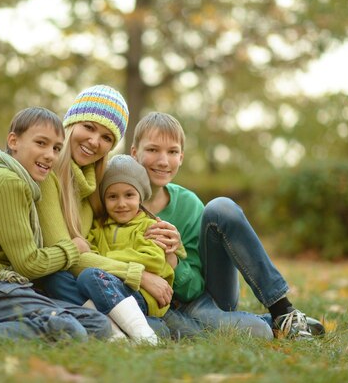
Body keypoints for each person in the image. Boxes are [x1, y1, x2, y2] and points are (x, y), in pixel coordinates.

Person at [131, 112, 326, 340]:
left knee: (221, 207)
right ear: (135, 153)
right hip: (155, 309)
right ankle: (268, 323)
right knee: (259, 332)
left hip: (201, 299)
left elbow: (194, 289)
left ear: (181, 157)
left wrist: (173, 260)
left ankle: (282, 311)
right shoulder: (118, 202)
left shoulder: (188, 204)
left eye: (172, 151)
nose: (163, 160)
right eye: (153, 150)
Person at [0, 107, 110, 341]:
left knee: (97, 323)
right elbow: (29, 264)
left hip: (1, 287)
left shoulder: (22, 183)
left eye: (57, 148)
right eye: (41, 143)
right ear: (13, 141)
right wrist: (73, 248)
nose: (50, 155)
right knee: (70, 330)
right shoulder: (6, 181)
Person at [35, 85, 170, 343]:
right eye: (89, 127)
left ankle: (119, 327)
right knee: (55, 278)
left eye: (107, 138)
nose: (95, 141)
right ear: (71, 123)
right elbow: (68, 257)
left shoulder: (92, 189)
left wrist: (169, 252)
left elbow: (90, 254)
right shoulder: (46, 174)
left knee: (77, 278)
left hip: (102, 282)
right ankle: (119, 330)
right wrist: (139, 276)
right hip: (54, 275)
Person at [75, 155, 188, 342]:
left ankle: (143, 336)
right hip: (107, 288)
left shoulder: (150, 226)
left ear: (140, 196)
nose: (121, 203)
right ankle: (120, 334)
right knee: (60, 280)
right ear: (104, 199)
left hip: (141, 295)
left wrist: (105, 259)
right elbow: (86, 254)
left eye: (129, 195)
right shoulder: (98, 227)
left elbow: (152, 261)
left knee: (90, 275)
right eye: (112, 196)